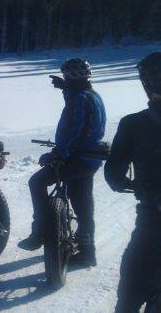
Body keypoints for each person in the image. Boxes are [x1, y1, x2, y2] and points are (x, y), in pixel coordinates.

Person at [18, 58, 106, 268]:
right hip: (89, 159)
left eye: (66, 78)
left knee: (37, 182)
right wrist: (66, 88)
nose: (64, 80)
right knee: (83, 206)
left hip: (76, 158)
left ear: (71, 78)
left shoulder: (81, 98)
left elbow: (77, 131)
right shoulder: (91, 95)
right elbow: (79, 114)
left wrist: (58, 154)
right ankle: (87, 252)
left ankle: (40, 230)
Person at [105, 51, 161, 312]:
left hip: (152, 223)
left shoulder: (133, 124)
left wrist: (127, 183)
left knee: (129, 295)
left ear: (146, 86)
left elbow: (114, 175)